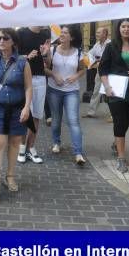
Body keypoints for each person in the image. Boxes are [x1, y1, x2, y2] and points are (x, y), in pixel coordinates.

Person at [0, 28, 32, 203]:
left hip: (17, 108)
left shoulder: (22, 62)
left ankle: (10, 175)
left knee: (14, 142)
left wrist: (27, 107)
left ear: (13, 41)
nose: (1, 41)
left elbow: (28, 87)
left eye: (5, 38)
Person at [99, 18, 129, 173]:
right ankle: (121, 158)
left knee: (125, 122)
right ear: (118, 29)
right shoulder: (111, 46)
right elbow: (103, 69)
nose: (126, 29)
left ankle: (116, 143)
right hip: (115, 90)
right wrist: (106, 87)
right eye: (123, 26)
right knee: (119, 122)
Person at [44, 25, 87, 165]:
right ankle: (56, 142)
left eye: (65, 33)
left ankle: (78, 153)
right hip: (54, 89)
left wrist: (75, 76)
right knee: (56, 119)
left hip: (72, 91)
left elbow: (83, 69)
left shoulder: (79, 52)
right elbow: (45, 67)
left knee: (73, 120)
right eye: (61, 32)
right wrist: (54, 74)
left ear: (72, 37)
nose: (61, 34)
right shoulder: (52, 49)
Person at [16, 26, 51, 164]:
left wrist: (47, 53)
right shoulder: (21, 33)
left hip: (40, 78)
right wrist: (26, 57)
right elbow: (12, 56)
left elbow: (48, 63)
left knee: (36, 115)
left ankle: (31, 148)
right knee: (25, 114)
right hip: (24, 78)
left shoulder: (46, 33)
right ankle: (22, 147)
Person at [84, 27, 110, 119]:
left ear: (105, 34)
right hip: (100, 71)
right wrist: (85, 55)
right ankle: (91, 112)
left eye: (99, 32)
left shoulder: (110, 44)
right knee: (96, 91)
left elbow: (108, 58)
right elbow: (90, 54)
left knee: (111, 92)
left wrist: (98, 59)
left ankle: (114, 115)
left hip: (109, 72)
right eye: (97, 32)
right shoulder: (97, 44)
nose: (96, 34)